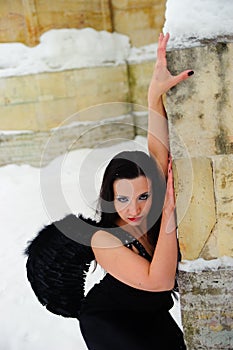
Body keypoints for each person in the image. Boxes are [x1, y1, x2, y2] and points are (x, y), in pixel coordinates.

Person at [78, 32, 194, 350]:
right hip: (111, 322)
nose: (134, 208)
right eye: (123, 198)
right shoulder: (104, 239)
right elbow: (159, 282)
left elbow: (158, 151)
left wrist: (154, 95)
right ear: (110, 199)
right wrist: (169, 216)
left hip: (153, 315)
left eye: (143, 196)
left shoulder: (151, 209)